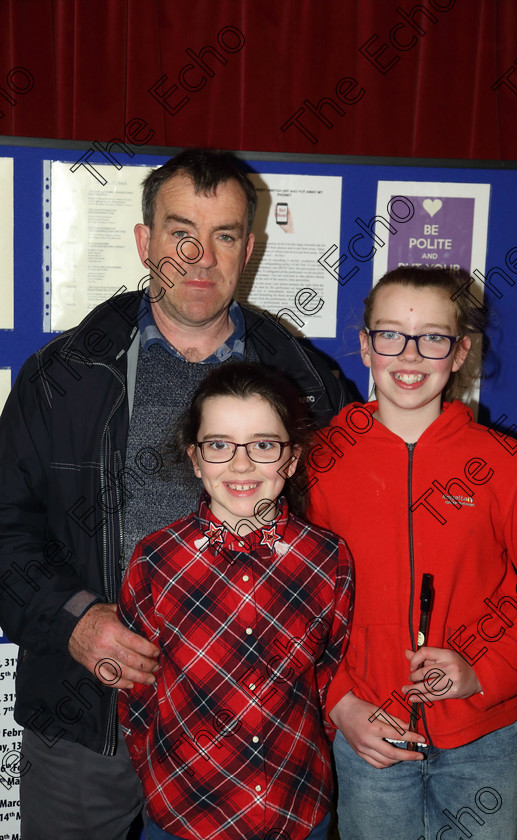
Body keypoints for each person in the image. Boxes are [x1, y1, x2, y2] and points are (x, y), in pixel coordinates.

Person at [0, 148, 355, 840]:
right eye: (179, 231)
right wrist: (74, 618)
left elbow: (345, 547)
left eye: (224, 235)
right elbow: (4, 528)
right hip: (89, 720)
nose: (200, 256)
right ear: (144, 241)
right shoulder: (61, 376)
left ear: (249, 249)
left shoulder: (309, 383)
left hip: (250, 738)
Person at [306, 266, 517, 840]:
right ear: (366, 346)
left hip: (482, 739)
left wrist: (482, 673)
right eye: (391, 334)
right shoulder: (321, 463)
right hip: (370, 733)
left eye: (433, 337)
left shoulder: (506, 466)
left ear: (460, 350)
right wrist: (342, 703)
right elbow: (295, 607)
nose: (410, 354)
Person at [117, 361, 353, 840]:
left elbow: (330, 674)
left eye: (263, 445)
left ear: (291, 458)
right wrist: (158, 776)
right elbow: (135, 693)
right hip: (185, 811)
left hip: (297, 807)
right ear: (196, 458)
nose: (241, 465)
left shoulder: (327, 558)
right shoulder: (155, 561)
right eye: (220, 445)